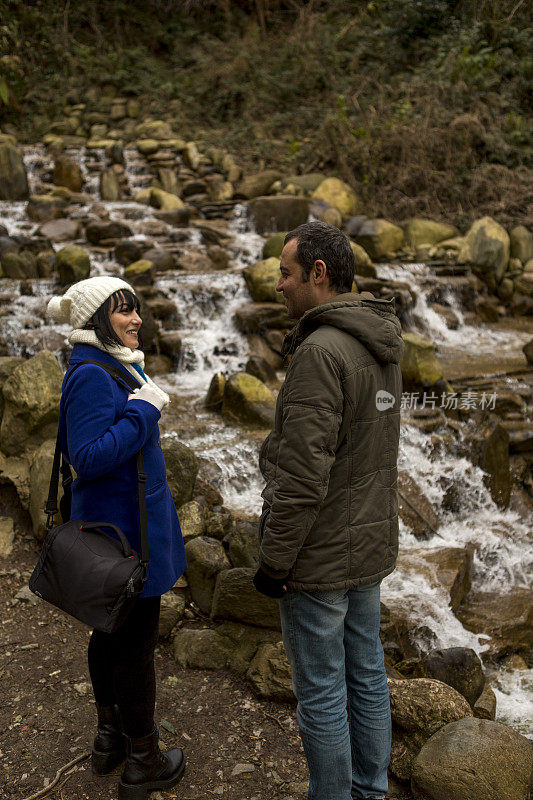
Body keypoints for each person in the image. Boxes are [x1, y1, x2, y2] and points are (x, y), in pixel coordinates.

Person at [253, 221, 404, 800]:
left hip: (319, 554)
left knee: (321, 689)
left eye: (286, 274)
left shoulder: (320, 351)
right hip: (367, 540)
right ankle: (369, 791)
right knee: (367, 671)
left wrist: (274, 562)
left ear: (319, 274)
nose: (279, 287)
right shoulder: (381, 338)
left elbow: (302, 478)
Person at [47, 276, 187, 800]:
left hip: (124, 527)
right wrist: (144, 409)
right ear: (96, 320)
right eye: (123, 311)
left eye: (136, 310)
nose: (136, 320)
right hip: (123, 536)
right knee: (134, 646)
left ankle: (110, 741)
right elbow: (87, 457)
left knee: (110, 635)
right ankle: (143, 760)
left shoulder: (115, 365)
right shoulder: (91, 375)